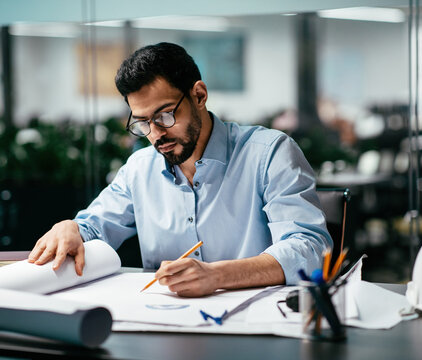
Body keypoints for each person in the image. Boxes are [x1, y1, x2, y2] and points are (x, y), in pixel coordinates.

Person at [28, 42, 331, 297]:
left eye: (165, 115)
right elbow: (93, 228)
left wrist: (217, 276)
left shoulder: (269, 153)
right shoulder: (139, 169)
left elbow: (310, 249)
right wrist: (70, 228)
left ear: (199, 95)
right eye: (143, 122)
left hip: (260, 326)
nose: (156, 133)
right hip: (167, 327)